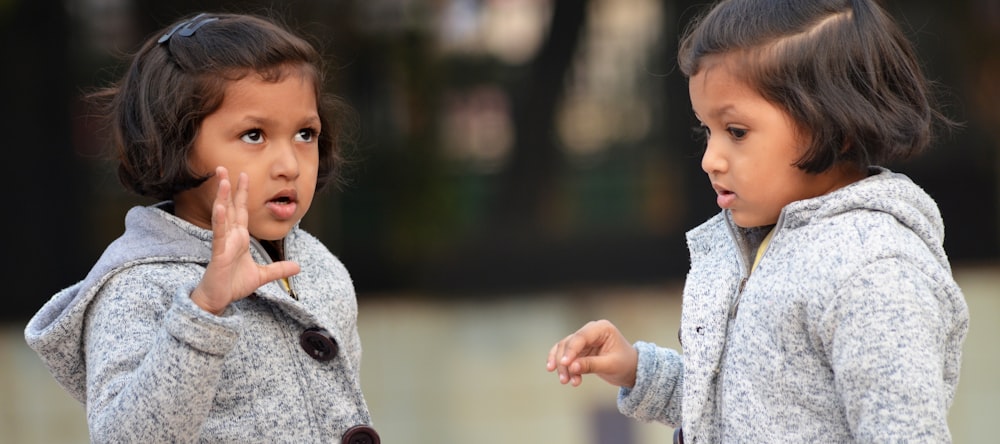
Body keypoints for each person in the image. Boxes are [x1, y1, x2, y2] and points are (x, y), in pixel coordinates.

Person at [547, 0, 969, 442]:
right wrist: (638, 370)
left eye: (736, 132)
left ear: (836, 124)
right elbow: (744, 407)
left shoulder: (873, 273)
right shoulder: (766, 241)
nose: (710, 159)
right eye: (705, 131)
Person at [24, 12, 379, 443]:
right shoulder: (137, 287)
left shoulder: (320, 266)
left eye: (305, 134)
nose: (289, 165)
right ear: (176, 143)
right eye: (254, 135)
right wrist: (203, 312)